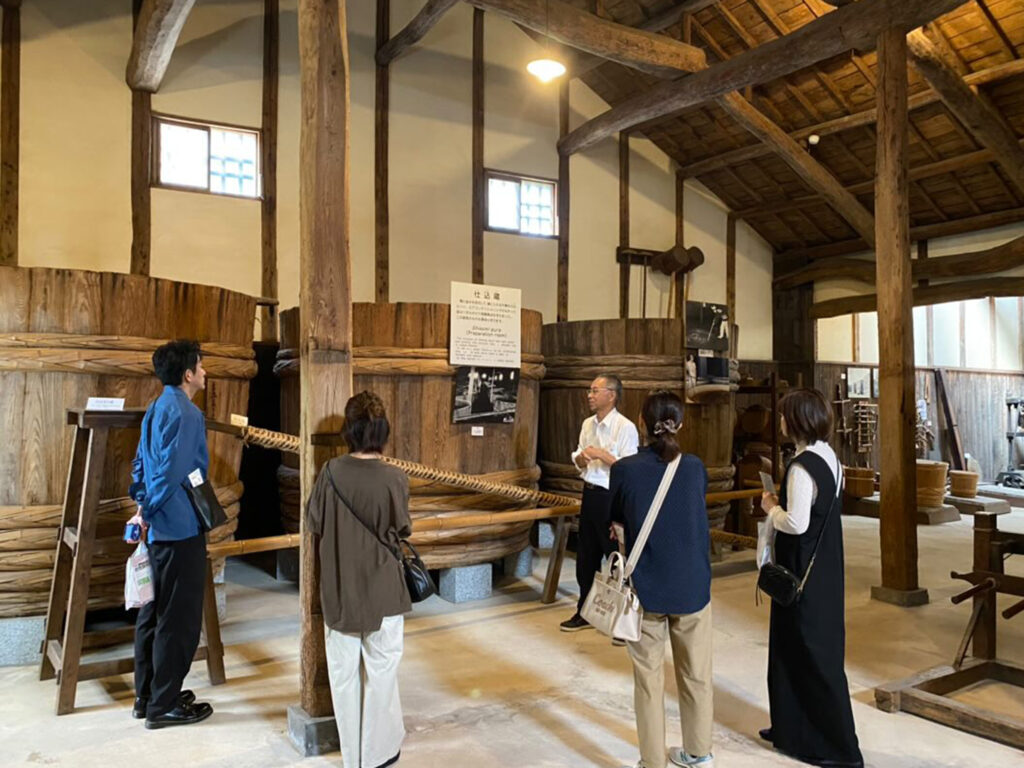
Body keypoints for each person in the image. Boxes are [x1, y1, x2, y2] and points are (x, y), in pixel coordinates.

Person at [306, 391, 412, 768]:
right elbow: (403, 528)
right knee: (382, 673)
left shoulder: (330, 473)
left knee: (344, 677)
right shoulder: (394, 477)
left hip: (340, 590)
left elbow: (314, 523)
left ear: (348, 430)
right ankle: (378, 753)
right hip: (383, 589)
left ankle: (353, 757)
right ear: (383, 432)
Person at [759, 388, 863, 767]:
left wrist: (771, 507)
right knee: (799, 650)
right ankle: (790, 727)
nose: (781, 421)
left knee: (810, 655)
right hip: (824, 572)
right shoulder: (829, 458)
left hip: (800, 572)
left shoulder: (801, 466)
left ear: (797, 420)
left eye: (785, 415)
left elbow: (796, 522)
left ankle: (838, 748)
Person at [610, 391, 714, 768]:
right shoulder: (695, 468)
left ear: (642, 423)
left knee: (648, 681)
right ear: (681, 424)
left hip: (646, 590)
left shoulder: (624, 469)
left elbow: (616, 518)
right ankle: (699, 754)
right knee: (697, 675)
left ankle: (652, 762)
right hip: (692, 586)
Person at [127, 339, 214, 729]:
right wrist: (150, 508)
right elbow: (171, 472)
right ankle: (164, 707)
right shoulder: (188, 413)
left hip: (158, 527)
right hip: (179, 525)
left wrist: (141, 503)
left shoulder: (156, 406)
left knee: (153, 611)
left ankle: (147, 696)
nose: (204, 372)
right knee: (177, 619)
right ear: (187, 374)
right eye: (201, 365)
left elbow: (141, 463)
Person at [560, 374, 639, 632]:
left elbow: (630, 470)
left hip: (612, 498)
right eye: (590, 390)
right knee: (586, 557)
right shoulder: (587, 424)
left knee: (616, 558)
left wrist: (600, 455)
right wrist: (583, 459)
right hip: (591, 493)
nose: (590, 395)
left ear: (611, 395)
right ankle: (584, 611)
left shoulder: (625, 427)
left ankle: (625, 619)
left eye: (595, 390)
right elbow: (579, 457)